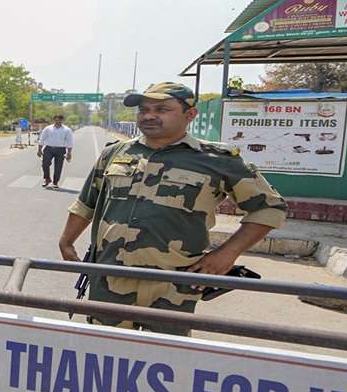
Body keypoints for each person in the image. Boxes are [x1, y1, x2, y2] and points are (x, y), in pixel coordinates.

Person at [56, 82, 286, 335]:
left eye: (162, 109)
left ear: (190, 115)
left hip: (175, 285)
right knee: (106, 351)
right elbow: (87, 202)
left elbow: (270, 208)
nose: (149, 116)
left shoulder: (218, 160)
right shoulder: (114, 153)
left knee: (165, 353)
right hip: (111, 278)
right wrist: (67, 241)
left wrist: (227, 254)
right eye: (144, 110)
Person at [37, 114, 73, 188]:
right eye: (56, 120)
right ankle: (47, 179)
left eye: (59, 120)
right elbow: (42, 139)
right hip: (49, 149)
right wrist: (39, 150)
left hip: (61, 149)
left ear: (62, 120)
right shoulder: (48, 128)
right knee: (45, 164)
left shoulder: (67, 130)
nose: (58, 122)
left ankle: (55, 182)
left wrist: (69, 153)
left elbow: (69, 142)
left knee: (58, 167)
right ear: (54, 120)